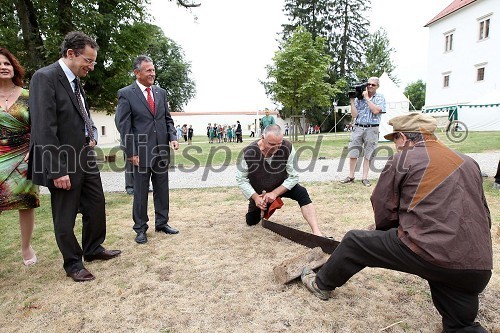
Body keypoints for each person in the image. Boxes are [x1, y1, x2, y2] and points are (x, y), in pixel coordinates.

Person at [301, 113, 492, 332]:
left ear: (403, 137)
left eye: (395, 140)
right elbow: (484, 215)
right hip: (476, 266)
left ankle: (321, 284)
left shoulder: (403, 159)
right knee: (460, 324)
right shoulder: (468, 161)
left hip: (431, 253)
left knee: (355, 241)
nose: (396, 146)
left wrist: (382, 234)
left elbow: (384, 207)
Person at [28, 31, 121, 282]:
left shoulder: (75, 81)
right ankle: (73, 263)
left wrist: (89, 134)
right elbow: (44, 127)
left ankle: (93, 248)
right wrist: (57, 168)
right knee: (65, 214)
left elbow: (77, 115)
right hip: (62, 159)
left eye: (93, 62)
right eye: (88, 61)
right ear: (71, 54)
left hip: (84, 154)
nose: (91, 67)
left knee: (96, 203)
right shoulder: (44, 78)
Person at [115, 55, 180, 245]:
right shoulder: (126, 93)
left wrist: (173, 137)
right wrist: (131, 152)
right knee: (141, 192)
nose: (153, 73)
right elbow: (124, 126)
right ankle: (140, 229)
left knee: (162, 189)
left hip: (161, 150)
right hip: (140, 152)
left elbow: (167, 119)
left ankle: (162, 223)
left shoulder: (161, 92)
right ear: (137, 73)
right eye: (148, 70)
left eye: (153, 69)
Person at [236, 124, 324, 236]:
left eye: (279, 144)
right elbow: (241, 179)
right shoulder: (248, 152)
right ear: (262, 138)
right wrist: (256, 198)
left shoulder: (288, 147)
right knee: (251, 221)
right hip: (260, 193)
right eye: (272, 144)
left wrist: (275, 193)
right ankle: (267, 207)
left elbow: (294, 176)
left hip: (281, 186)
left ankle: (317, 232)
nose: (276, 148)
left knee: (302, 192)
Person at [0, 48, 39, 266]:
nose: (3, 67)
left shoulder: (27, 96)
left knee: (26, 204)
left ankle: (26, 248)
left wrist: (33, 151)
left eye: (6, 63)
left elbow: (37, 127)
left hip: (24, 157)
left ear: (13, 67)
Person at [340, 77, 386, 187]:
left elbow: (375, 111)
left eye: (373, 85)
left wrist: (367, 98)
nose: (370, 86)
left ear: (377, 86)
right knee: (353, 152)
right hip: (358, 127)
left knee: (368, 154)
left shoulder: (380, 98)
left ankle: (364, 178)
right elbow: (355, 115)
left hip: (372, 128)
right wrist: (352, 101)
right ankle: (351, 176)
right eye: (368, 84)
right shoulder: (358, 98)